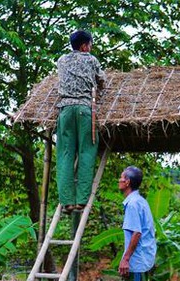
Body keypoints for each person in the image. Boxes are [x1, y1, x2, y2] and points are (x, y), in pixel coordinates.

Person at [56, 30, 106, 214]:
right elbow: (102, 81)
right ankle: (82, 201)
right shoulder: (91, 60)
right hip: (85, 110)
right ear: (85, 46)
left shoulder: (61, 60)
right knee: (87, 151)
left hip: (65, 110)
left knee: (65, 153)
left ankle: (67, 201)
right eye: (90, 45)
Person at [118, 166, 156, 281]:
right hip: (142, 255)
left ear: (127, 182)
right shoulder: (139, 201)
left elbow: (136, 233)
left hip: (138, 257)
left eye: (121, 178)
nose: (119, 180)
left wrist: (126, 258)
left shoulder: (133, 204)